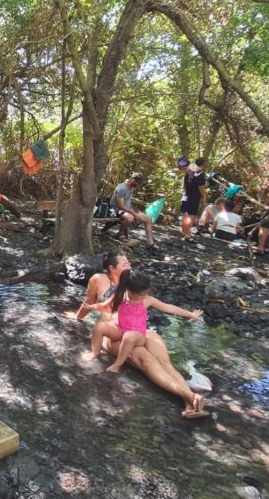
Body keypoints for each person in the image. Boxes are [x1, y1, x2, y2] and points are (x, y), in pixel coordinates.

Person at [75, 252, 208, 418]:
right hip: (118, 333)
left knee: (166, 364)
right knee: (148, 361)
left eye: (128, 263)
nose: (129, 266)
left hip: (141, 332)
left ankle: (191, 401)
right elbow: (96, 304)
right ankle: (188, 397)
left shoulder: (137, 286)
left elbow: (168, 307)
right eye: (124, 264)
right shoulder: (103, 282)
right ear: (112, 267)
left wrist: (191, 314)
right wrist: (79, 317)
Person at [90, 270, 204, 373]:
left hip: (138, 336)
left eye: (146, 293)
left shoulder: (148, 300)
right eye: (141, 294)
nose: (144, 296)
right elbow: (105, 307)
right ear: (129, 290)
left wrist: (190, 314)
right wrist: (92, 306)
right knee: (99, 327)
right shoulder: (121, 296)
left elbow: (169, 307)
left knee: (130, 336)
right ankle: (95, 353)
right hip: (120, 330)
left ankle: (117, 364)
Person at [109, 173, 159, 250]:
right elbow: (120, 206)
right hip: (116, 210)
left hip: (127, 210)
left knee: (148, 219)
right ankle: (120, 233)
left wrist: (134, 212)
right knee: (130, 217)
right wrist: (133, 214)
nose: (138, 185)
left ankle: (150, 242)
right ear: (132, 180)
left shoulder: (131, 188)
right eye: (137, 183)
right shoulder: (122, 188)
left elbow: (128, 203)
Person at [179, 157, 207, 241]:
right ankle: (187, 235)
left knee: (186, 214)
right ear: (203, 165)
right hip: (194, 197)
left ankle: (184, 231)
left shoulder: (189, 170)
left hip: (187, 195)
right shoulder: (200, 173)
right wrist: (204, 196)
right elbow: (200, 188)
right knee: (192, 215)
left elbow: (184, 184)